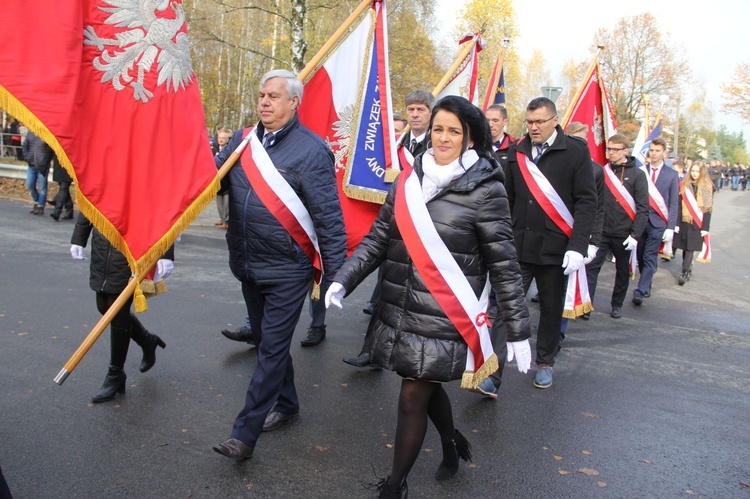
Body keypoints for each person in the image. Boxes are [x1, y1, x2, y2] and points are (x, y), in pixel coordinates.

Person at [325, 96, 531, 498]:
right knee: (423, 382)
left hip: (446, 313)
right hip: (400, 306)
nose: (444, 137)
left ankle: (394, 486)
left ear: (470, 137)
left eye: (454, 130)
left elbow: (505, 264)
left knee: (411, 395)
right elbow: (378, 239)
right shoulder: (407, 180)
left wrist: (519, 331)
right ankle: (452, 444)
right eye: (438, 128)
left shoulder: (488, 191)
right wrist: (343, 279)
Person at [212, 69, 347, 461]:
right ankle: (286, 403)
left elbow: (329, 218)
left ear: (294, 103)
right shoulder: (242, 141)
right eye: (261, 95)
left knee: (270, 348)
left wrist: (337, 277)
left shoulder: (312, 150)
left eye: (273, 96)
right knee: (269, 344)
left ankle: (244, 435)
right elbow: (212, 179)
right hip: (248, 262)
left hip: (289, 269)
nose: (264, 102)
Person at [503, 97, 597, 389]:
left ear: (555, 120)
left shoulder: (575, 152)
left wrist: (578, 246)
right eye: (529, 122)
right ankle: (493, 371)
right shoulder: (516, 152)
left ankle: (545, 362)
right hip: (519, 244)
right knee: (507, 305)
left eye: (539, 122)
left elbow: (586, 201)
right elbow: (508, 199)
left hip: (556, 248)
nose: (533, 128)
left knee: (551, 308)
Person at [70, 214, 173, 402]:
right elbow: (89, 200)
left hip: (130, 247)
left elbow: (160, 210)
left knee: (117, 311)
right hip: (102, 245)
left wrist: (166, 252)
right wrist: (79, 237)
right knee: (104, 306)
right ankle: (147, 340)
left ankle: (115, 374)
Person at [585, 134, 649, 319]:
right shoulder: (601, 171)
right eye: (609, 149)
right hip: (601, 231)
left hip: (624, 233)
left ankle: (617, 304)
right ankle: (587, 305)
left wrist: (635, 235)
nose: (610, 153)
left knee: (622, 271)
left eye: (615, 149)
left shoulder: (638, 175)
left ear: (625, 151)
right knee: (592, 268)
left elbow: (643, 208)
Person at [633, 137, 679, 305]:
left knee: (650, 256)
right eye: (651, 150)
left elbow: (674, 203)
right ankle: (647, 282)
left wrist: (671, 227)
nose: (653, 154)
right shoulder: (640, 171)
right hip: (640, 221)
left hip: (659, 223)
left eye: (657, 151)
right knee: (640, 257)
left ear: (664, 153)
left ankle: (640, 290)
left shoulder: (672, 175)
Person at [673, 161, 713, 285]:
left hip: (698, 221)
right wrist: (676, 223)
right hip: (685, 220)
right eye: (693, 171)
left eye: (697, 171)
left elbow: (708, 209)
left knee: (691, 247)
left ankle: (684, 271)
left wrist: (705, 227)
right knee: (685, 246)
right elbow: (679, 205)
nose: (695, 174)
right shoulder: (684, 185)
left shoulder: (707, 186)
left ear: (702, 172)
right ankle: (688, 266)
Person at [21, 130, 53, 215]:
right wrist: (27, 158)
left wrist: (46, 163)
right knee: (30, 184)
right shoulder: (30, 133)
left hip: (42, 166)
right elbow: (25, 146)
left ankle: (41, 205)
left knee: (42, 187)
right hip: (31, 164)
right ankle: (37, 201)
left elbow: (50, 151)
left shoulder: (46, 134)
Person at [402, 90, 435, 156]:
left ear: (431, 112)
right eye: (411, 109)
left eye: (420, 109)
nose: (415, 115)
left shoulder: (437, 144)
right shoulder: (397, 143)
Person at [214, 128, 232, 229]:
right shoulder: (213, 149)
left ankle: (227, 221)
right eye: (220, 138)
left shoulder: (231, 150)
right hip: (217, 183)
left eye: (223, 138)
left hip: (227, 182)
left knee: (227, 204)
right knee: (219, 204)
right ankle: (222, 218)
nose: (221, 140)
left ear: (227, 140)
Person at [49, 156, 75, 221]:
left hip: (69, 166)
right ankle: (69, 210)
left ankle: (57, 211)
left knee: (63, 187)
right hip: (59, 166)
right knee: (64, 189)